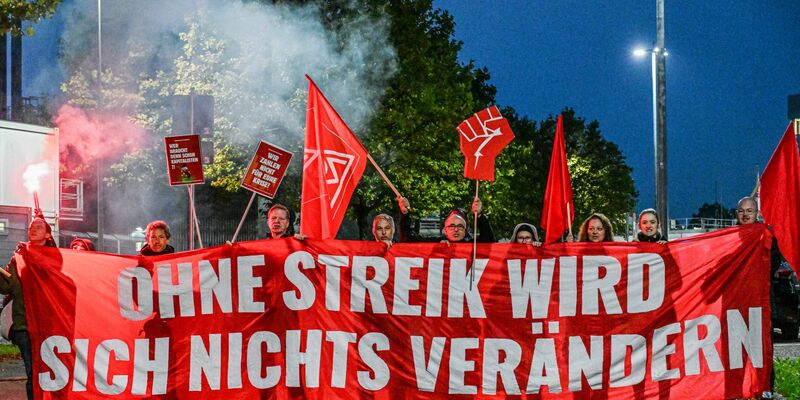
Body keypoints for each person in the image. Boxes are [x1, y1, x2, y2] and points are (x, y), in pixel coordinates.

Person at [0, 215, 57, 400]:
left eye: (39, 227)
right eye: (31, 226)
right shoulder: (20, 257)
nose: (32, 229)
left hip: (49, 327)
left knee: (52, 374)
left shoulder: (56, 259)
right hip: (24, 324)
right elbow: (7, 287)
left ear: (48, 235)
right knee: (33, 373)